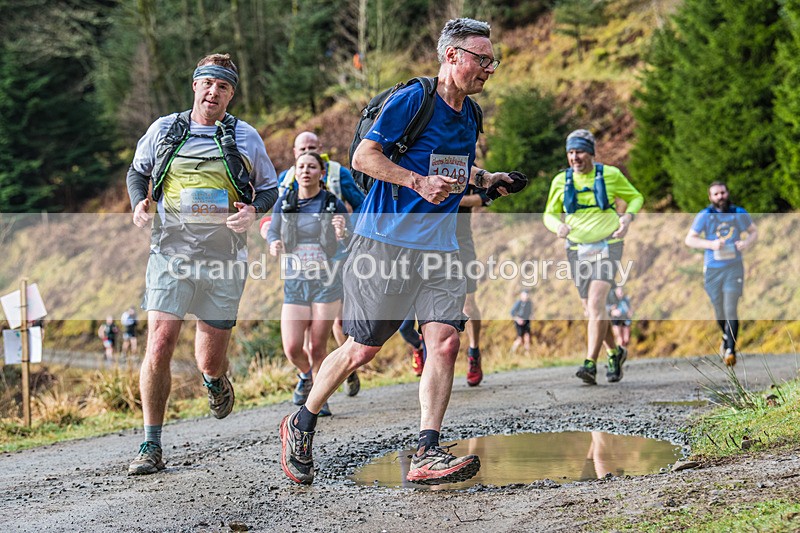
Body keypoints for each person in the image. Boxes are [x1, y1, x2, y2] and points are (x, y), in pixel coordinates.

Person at [280, 18, 514, 486]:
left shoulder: (470, 114)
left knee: (444, 340)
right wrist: (415, 181)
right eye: (481, 59)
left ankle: (427, 450)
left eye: (493, 60)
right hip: (384, 242)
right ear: (452, 56)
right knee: (362, 349)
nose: (489, 68)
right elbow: (363, 158)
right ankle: (301, 422)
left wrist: (486, 180)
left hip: (440, 248)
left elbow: (454, 166)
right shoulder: (414, 100)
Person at [125, 53, 278, 475]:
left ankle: (215, 381)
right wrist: (140, 201)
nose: (214, 92)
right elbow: (137, 172)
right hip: (170, 254)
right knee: (159, 341)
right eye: (207, 83)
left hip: (224, 259)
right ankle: (150, 444)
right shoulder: (164, 130)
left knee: (209, 359)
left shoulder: (245, 137)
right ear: (195, 86)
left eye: (223, 86)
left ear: (231, 94)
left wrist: (253, 211)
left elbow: (269, 188)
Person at [543, 129, 643, 385]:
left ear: (591, 153)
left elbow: (635, 197)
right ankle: (614, 353)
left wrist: (628, 217)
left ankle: (589, 363)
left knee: (597, 302)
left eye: (580, 152)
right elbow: (549, 214)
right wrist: (558, 227)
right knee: (591, 309)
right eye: (571, 153)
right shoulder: (560, 181)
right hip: (577, 248)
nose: (575, 157)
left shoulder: (610, 174)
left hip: (608, 243)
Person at [271, 131, 365, 396]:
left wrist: (344, 230)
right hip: (297, 273)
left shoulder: (339, 175)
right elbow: (273, 223)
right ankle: (319, 374)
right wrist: (272, 239)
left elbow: (362, 207)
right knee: (299, 343)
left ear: (321, 153)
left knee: (336, 327)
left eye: (312, 150)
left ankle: (339, 371)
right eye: (302, 151)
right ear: (294, 153)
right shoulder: (284, 185)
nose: (306, 156)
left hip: (334, 263)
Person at [684, 181, 757, 366]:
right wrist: (710, 244)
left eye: (722, 193)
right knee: (719, 310)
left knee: (730, 306)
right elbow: (690, 239)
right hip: (713, 269)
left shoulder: (738, 213)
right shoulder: (705, 216)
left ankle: (731, 350)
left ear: (728, 193)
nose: (720, 197)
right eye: (716, 194)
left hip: (734, 267)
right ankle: (726, 336)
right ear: (710, 197)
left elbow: (753, 232)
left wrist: (746, 243)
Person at [276, 131, 365, 212]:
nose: (307, 152)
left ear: (320, 148)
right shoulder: (285, 178)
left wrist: (349, 227)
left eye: (311, 147)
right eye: (302, 149)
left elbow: (360, 205)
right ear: (295, 152)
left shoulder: (338, 173)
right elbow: (277, 215)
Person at [458, 185, 491, 386]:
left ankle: (474, 351)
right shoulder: (418, 158)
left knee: (468, 303)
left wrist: (457, 200)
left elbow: (486, 196)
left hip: (461, 240)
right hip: (428, 241)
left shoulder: (462, 158)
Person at [510, 289, 532, 354]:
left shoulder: (529, 303)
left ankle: (527, 354)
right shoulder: (518, 303)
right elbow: (512, 313)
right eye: (525, 295)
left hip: (526, 321)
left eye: (527, 295)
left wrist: (531, 317)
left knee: (527, 338)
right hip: (519, 322)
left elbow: (529, 313)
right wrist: (518, 319)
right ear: (521, 296)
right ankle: (511, 352)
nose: (526, 297)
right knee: (519, 339)